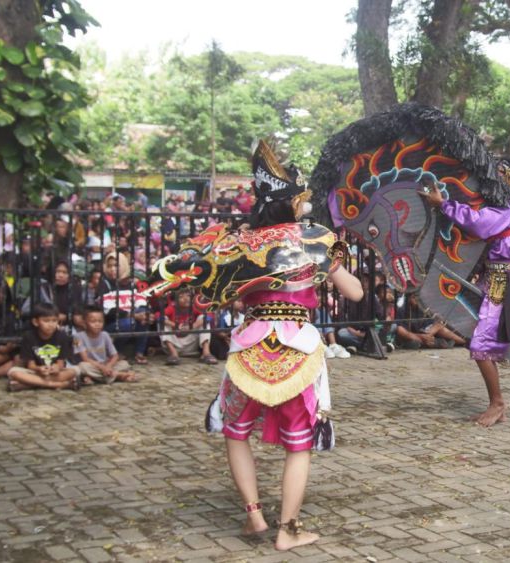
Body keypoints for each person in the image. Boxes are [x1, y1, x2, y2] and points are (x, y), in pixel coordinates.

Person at [150, 141, 363, 550]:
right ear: (295, 202)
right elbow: (353, 293)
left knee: (236, 431)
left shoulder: (240, 243)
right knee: (299, 442)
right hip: (298, 347)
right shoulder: (317, 239)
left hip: (247, 346)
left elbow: (221, 296)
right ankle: (288, 530)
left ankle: (254, 518)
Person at [418, 156, 510, 427]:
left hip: (501, 279)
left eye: (498, 175)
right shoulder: (506, 203)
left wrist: (444, 204)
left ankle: (497, 403)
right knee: (466, 325)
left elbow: (479, 223)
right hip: (493, 275)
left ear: (509, 178)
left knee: (481, 344)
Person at [7, 303, 80, 392]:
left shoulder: (62, 336)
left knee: (76, 370)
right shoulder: (29, 337)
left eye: (54, 321)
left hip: (54, 373)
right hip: (36, 372)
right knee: (13, 372)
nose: (51, 324)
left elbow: (61, 362)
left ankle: (29, 384)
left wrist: (56, 367)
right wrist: (38, 369)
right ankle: (57, 384)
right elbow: (31, 365)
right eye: (46, 321)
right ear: (35, 322)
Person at [74, 305, 136, 383]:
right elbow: (85, 358)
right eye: (93, 321)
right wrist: (102, 368)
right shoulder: (77, 337)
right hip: (91, 365)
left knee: (124, 364)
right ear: (84, 322)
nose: (97, 324)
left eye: (100, 321)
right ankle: (118, 375)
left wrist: (108, 366)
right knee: (82, 367)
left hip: (105, 364)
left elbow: (115, 355)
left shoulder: (105, 335)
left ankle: (96, 378)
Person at [160, 289, 216, 365]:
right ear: (175, 301)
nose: (186, 298)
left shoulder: (194, 307)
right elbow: (159, 317)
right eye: (181, 297)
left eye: (188, 296)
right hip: (175, 344)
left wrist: (193, 326)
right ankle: (173, 354)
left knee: (203, 318)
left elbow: (209, 316)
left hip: (190, 344)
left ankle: (206, 353)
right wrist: (175, 325)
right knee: (163, 321)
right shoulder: (172, 308)